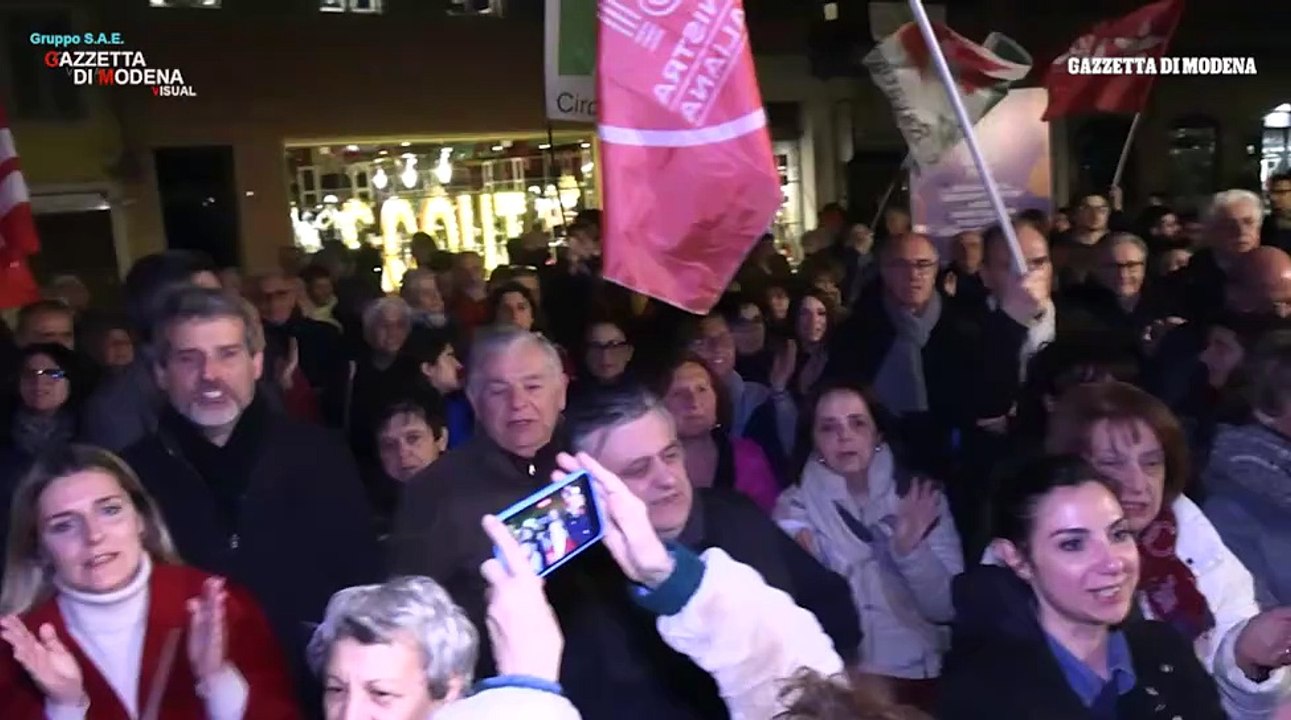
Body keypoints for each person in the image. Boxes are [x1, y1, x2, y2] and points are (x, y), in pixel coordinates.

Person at [121, 286, 380, 707]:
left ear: (257, 362)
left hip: (312, 694)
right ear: (161, 373)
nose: (210, 375)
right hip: (185, 700)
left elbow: (362, 585)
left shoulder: (320, 456)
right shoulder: (129, 479)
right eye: (190, 359)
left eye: (227, 354)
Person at [1047, 381, 1291, 717]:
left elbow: (1237, 706)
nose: (1137, 483)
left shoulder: (1186, 530)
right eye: (1112, 464)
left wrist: (1246, 658)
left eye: (1151, 464)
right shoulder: (1038, 555)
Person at [0, 445, 299, 719]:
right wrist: (65, 707)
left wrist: (217, 680)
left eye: (110, 510)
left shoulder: (220, 605)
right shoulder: (19, 648)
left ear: (141, 519)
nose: (93, 536)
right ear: (38, 548)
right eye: (64, 525)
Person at [940, 454, 1225, 718]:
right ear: (1016, 559)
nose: (1113, 563)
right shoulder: (983, 694)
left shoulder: (1163, 648)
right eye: (1073, 544)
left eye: (1118, 534)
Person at [775, 381, 961, 709]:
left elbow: (946, 607)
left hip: (917, 672)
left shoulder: (919, 496)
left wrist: (909, 551)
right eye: (828, 427)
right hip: (836, 677)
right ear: (813, 441)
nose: (844, 436)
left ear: (878, 434)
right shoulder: (792, 509)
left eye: (857, 423)